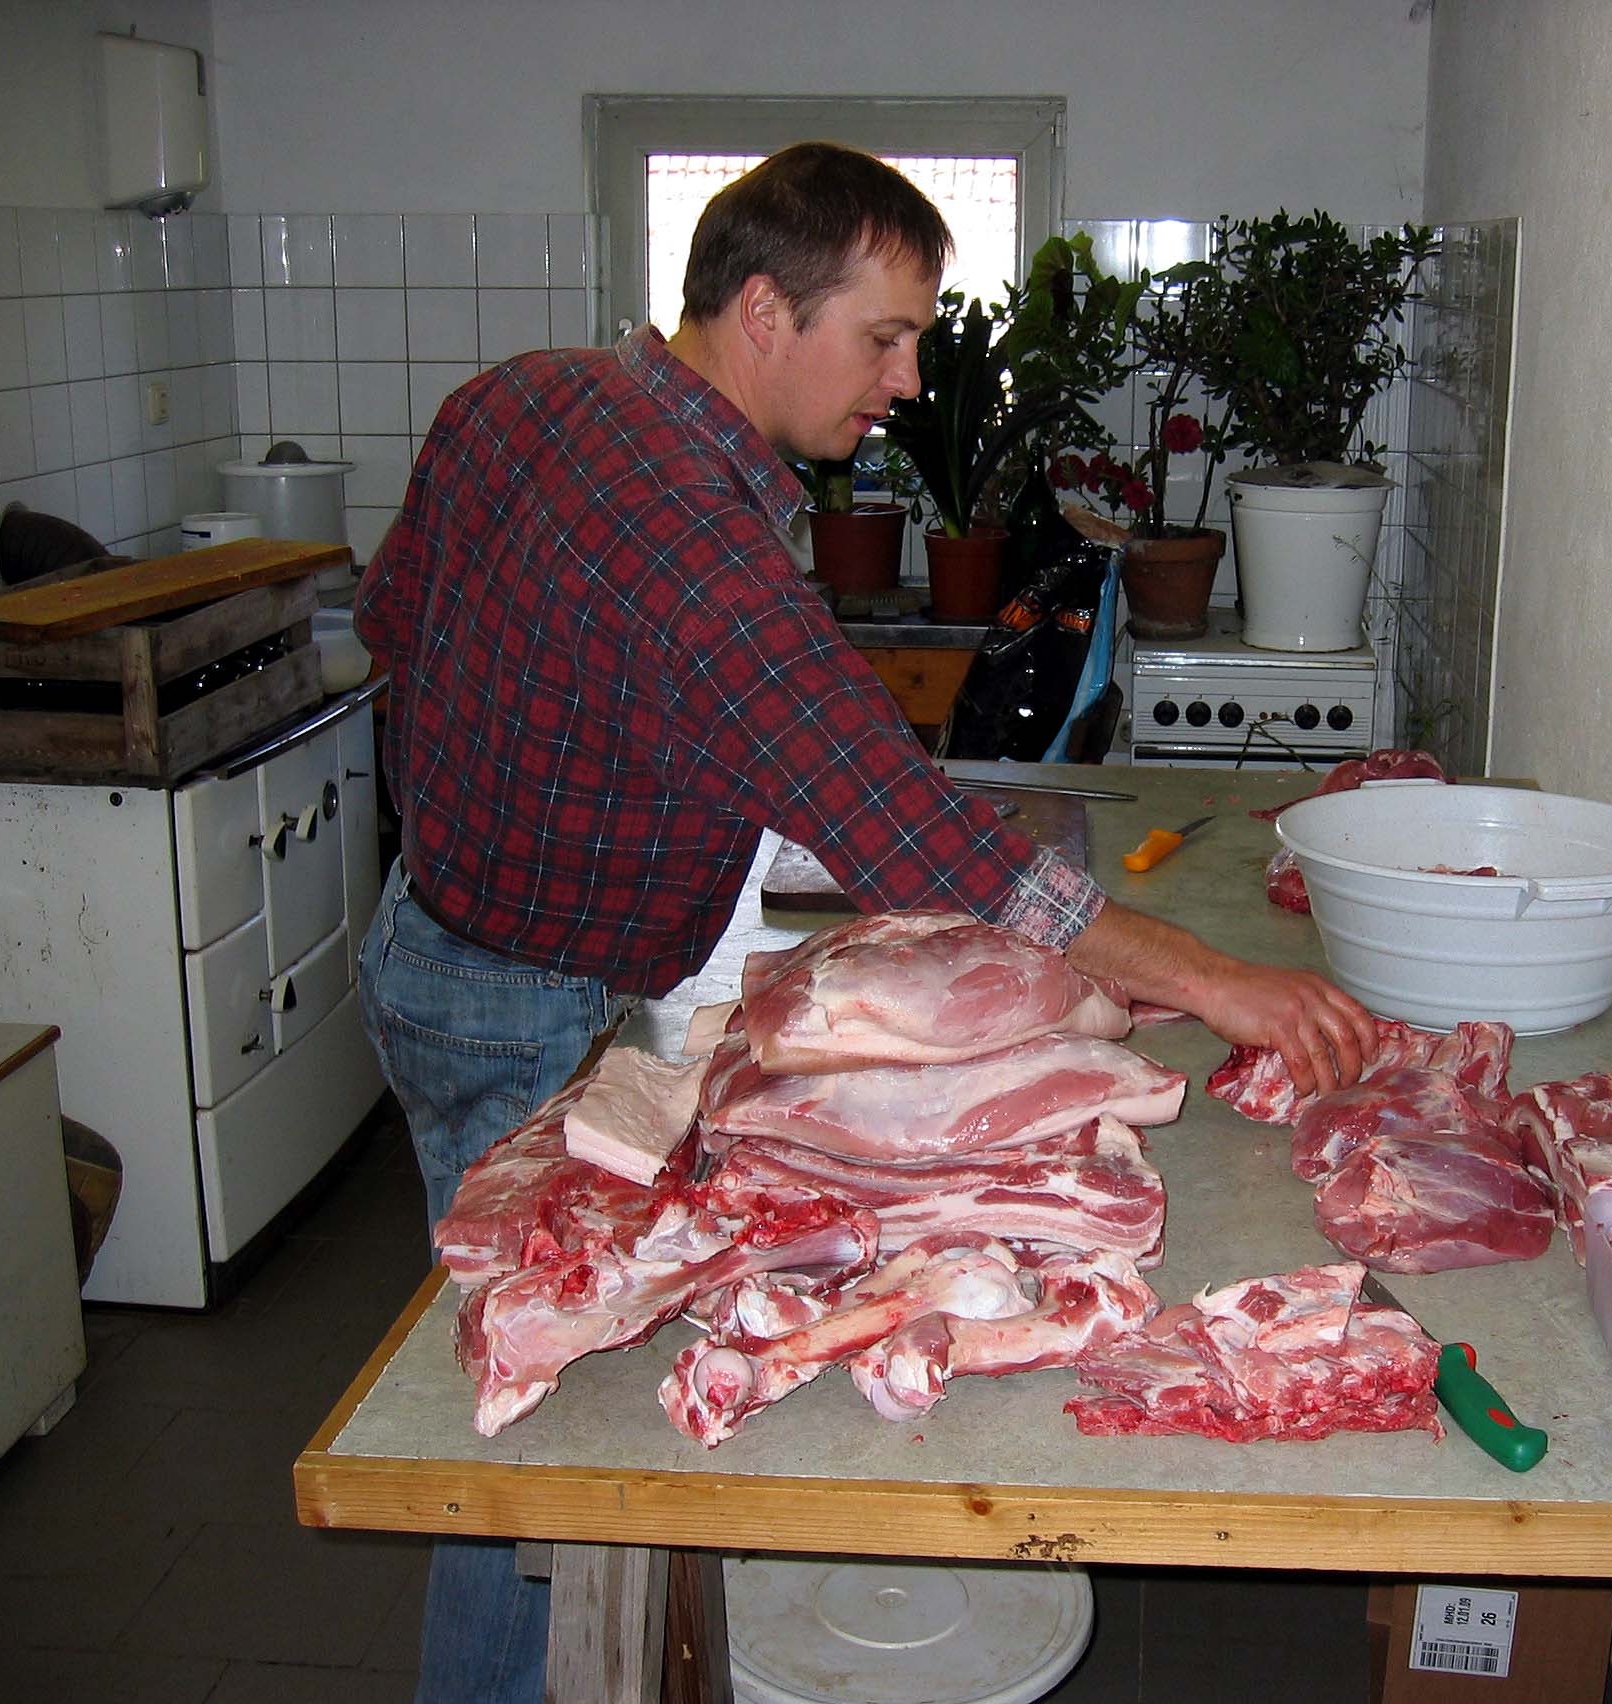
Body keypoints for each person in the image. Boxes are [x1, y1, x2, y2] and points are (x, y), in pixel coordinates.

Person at [353, 140, 1377, 1703]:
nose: (906, 379)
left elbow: (396, 620)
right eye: (885, 337)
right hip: (523, 1004)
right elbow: (917, 835)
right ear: (765, 312)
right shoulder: (695, 539)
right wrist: (1215, 979)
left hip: (428, 938)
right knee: (534, 1443)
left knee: (540, 1395)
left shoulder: (521, 397)